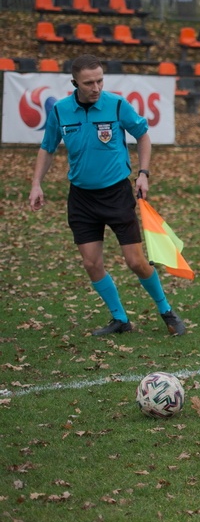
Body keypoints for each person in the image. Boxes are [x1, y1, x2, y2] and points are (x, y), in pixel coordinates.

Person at [28, 54, 186, 337]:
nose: (96, 87)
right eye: (89, 82)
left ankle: (166, 310)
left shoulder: (116, 104)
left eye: (100, 80)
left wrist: (144, 172)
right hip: (81, 198)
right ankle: (120, 320)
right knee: (91, 263)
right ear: (75, 82)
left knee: (136, 261)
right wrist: (36, 184)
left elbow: (143, 135)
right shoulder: (60, 110)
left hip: (117, 194)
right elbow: (47, 147)